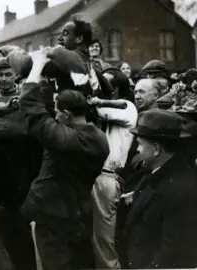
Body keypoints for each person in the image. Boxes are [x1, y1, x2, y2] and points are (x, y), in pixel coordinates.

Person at [19, 49, 110, 269]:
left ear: (66, 114)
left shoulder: (63, 138)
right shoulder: (98, 137)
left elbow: (29, 104)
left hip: (52, 217)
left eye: (57, 112)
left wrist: (37, 65)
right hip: (79, 212)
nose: (55, 116)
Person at [121, 109, 197, 268]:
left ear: (156, 149)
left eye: (140, 144)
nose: (137, 150)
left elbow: (172, 252)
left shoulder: (181, 189)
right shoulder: (159, 173)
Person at [88, 67, 138, 269]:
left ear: (115, 90)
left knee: (103, 242)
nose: (98, 89)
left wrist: (92, 96)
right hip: (93, 177)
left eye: (103, 85)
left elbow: (95, 108)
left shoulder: (128, 107)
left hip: (106, 177)